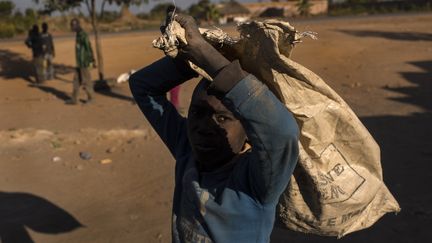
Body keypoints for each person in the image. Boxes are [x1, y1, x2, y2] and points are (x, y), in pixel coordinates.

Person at [129, 13, 299, 243]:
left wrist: (207, 55)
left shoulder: (257, 180)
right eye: (197, 113)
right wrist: (193, 57)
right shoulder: (187, 150)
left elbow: (282, 133)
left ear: (249, 130)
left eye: (222, 118)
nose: (204, 127)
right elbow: (142, 86)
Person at [66, 18, 95, 105]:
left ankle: (91, 98)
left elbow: (88, 47)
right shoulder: (78, 34)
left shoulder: (83, 35)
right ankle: (74, 99)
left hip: (84, 63)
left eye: (72, 25)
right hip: (79, 63)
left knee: (87, 81)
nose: (71, 27)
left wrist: (91, 60)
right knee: (76, 81)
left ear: (77, 25)